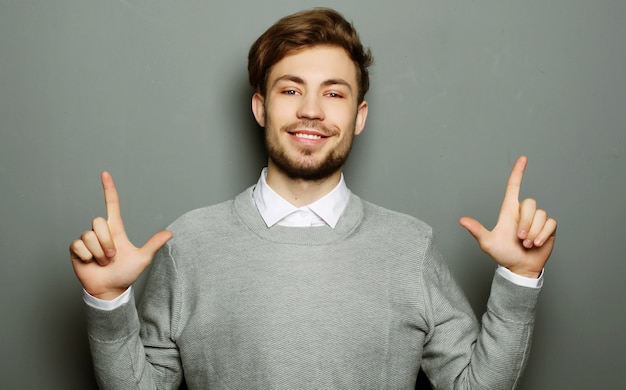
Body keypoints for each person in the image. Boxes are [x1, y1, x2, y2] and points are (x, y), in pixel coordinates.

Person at [70, 8, 557, 389]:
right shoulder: (189, 245)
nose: (310, 111)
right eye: (290, 89)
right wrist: (108, 302)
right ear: (260, 106)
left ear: (359, 116)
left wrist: (519, 280)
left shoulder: (411, 247)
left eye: (334, 94)